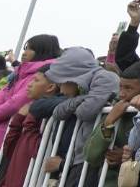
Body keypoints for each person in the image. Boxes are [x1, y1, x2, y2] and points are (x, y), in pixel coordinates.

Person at [46, 47, 123, 186]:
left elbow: (85, 112)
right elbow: (58, 112)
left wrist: (79, 100)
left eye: (62, 82)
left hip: (96, 158)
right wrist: (81, 99)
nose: (61, 90)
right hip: (81, 158)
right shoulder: (84, 88)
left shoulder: (105, 77)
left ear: (73, 74)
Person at [85, 60, 140, 187]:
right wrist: (109, 121)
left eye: (128, 88)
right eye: (120, 86)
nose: (121, 93)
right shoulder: (116, 108)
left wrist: (128, 156)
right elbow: (90, 155)